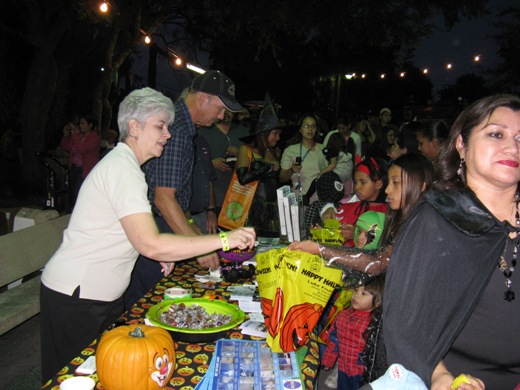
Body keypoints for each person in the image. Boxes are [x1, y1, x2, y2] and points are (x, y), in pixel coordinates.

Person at [40, 88, 256, 382]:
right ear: (134, 127)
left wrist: (151, 251)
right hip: (76, 296)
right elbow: (151, 242)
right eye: (160, 126)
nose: (167, 134)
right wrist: (224, 240)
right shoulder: (122, 170)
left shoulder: (130, 168)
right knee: (72, 381)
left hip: (98, 296)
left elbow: (126, 231)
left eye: (167, 126)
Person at [384, 94, 520, 390]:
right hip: (458, 380)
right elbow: (405, 323)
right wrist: (438, 375)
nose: (513, 147)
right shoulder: (437, 218)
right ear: (462, 143)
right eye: (496, 134)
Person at [124, 70, 243, 310]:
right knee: (145, 305)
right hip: (154, 228)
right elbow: (163, 199)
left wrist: (189, 224)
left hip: (161, 224)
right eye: (220, 108)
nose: (221, 116)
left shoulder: (183, 127)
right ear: (203, 99)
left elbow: (173, 193)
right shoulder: (176, 130)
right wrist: (198, 246)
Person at [321, 276, 385, 390]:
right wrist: (328, 361)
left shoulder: (376, 324)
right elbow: (334, 340)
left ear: (378, 302)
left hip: (362, 372)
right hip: (343, 367)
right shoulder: (342, 315)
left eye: (363, 294)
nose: (356, 295)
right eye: (355, 290)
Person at [235, 96, 282, 237]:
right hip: (253, 209)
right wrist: (267, 168)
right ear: (264, 133)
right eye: (275, 134)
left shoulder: (274, 152)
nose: (278, 138)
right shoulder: (246, 150)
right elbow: (242, 178)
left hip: (273, 209)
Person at [323, 157, 388, 247]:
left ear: (378, 184)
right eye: (355, 182)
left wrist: (356, 234)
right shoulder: (350, 208)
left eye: (363, 182)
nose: (356, 187)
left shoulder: (387, 214)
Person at [199, 109, 249, 214]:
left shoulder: (243, 132)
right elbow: (193, 159)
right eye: (223, 109)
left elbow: (251, 158)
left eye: (230, 110)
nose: (226, 113)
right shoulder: (204, 131)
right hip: (213, 194)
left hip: (238, 193)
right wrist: (211, 163)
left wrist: (239, 154)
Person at [279, 114, 328, 205]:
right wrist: (292, 170)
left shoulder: (324, 149)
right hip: (300, 200)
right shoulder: (291, 150)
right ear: (300, 129)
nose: (310, 129)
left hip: (322, 201)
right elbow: (282, 178)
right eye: (306, 126)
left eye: (313, 126)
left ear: (316, 129)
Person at [59, 114, 100, 205]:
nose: (80, 126)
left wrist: (74, 135)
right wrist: (66, 136)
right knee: (72, 191)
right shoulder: (78, 136)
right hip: (74, 168)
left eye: (83, 123)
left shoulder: (94, 138)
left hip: (85, 170)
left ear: (90, 125)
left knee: (79, 193)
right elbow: (66, 147)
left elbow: (82, 149)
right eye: (79, 123)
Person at [189, 135, 218, 234]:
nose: (220, 118)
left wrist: (211, 210)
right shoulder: (177, 140)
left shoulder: (201, 141)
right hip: (184, 215)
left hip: (203, 214)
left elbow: (208, 178)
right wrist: (189, 221)